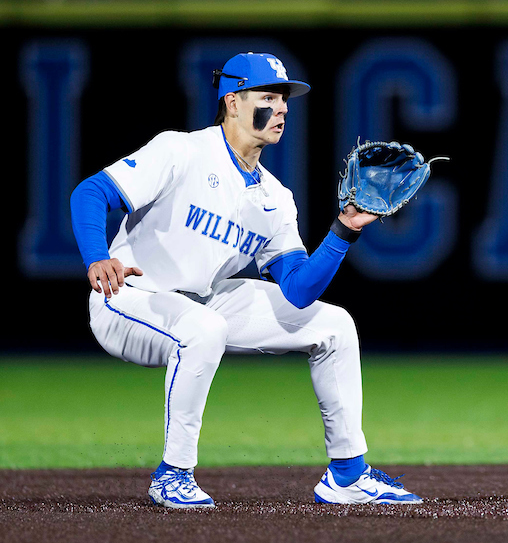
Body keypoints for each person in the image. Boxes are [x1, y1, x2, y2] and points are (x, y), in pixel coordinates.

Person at [70, 52, 422, 507]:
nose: (282, 109)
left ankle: (347, 474)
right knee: (204, 328)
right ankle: (173, 473)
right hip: (128, 296)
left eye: (285, 100)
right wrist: (97, 257)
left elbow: (297, 290)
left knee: (334, 326)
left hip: (204, 302)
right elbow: (91, 192)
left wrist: (343, 231)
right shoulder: (181, 150)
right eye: (270, 97)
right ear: (232, 101)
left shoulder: (275, 197)